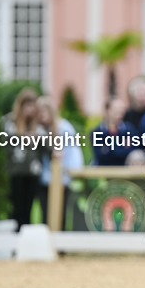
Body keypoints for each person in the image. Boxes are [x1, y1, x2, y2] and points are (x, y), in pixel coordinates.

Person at [36, 95, 84, 228]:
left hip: (61, 179)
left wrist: (68, 176)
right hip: (44, 180)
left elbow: (72, 155)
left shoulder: (64, 128)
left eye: (43, 111)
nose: (41, 115)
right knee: (45, 216)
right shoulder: (40, 130)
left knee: (60, 216)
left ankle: (60, 247)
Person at [1, 87, 45, 231]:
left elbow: (48, 147)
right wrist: (21, 138)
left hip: (33, 172)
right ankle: (13, 241)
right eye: (27, 105)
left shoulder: (38, 124)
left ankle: (26, 240)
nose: (30, 109)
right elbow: (3, 144)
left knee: (28, 209)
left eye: (32, 105)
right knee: (15, 208)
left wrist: (37, 139)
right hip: (15, 171)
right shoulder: (9, 121)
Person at [91, 97, 138, 166]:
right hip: (103, 169)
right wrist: (122, 148)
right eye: (116, 109)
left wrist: (108, 149)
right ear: (107, 110)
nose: (120, 112)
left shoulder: (130, 129)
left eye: (122, 109)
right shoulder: (97, 132)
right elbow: (100, 156)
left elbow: (133, 152)